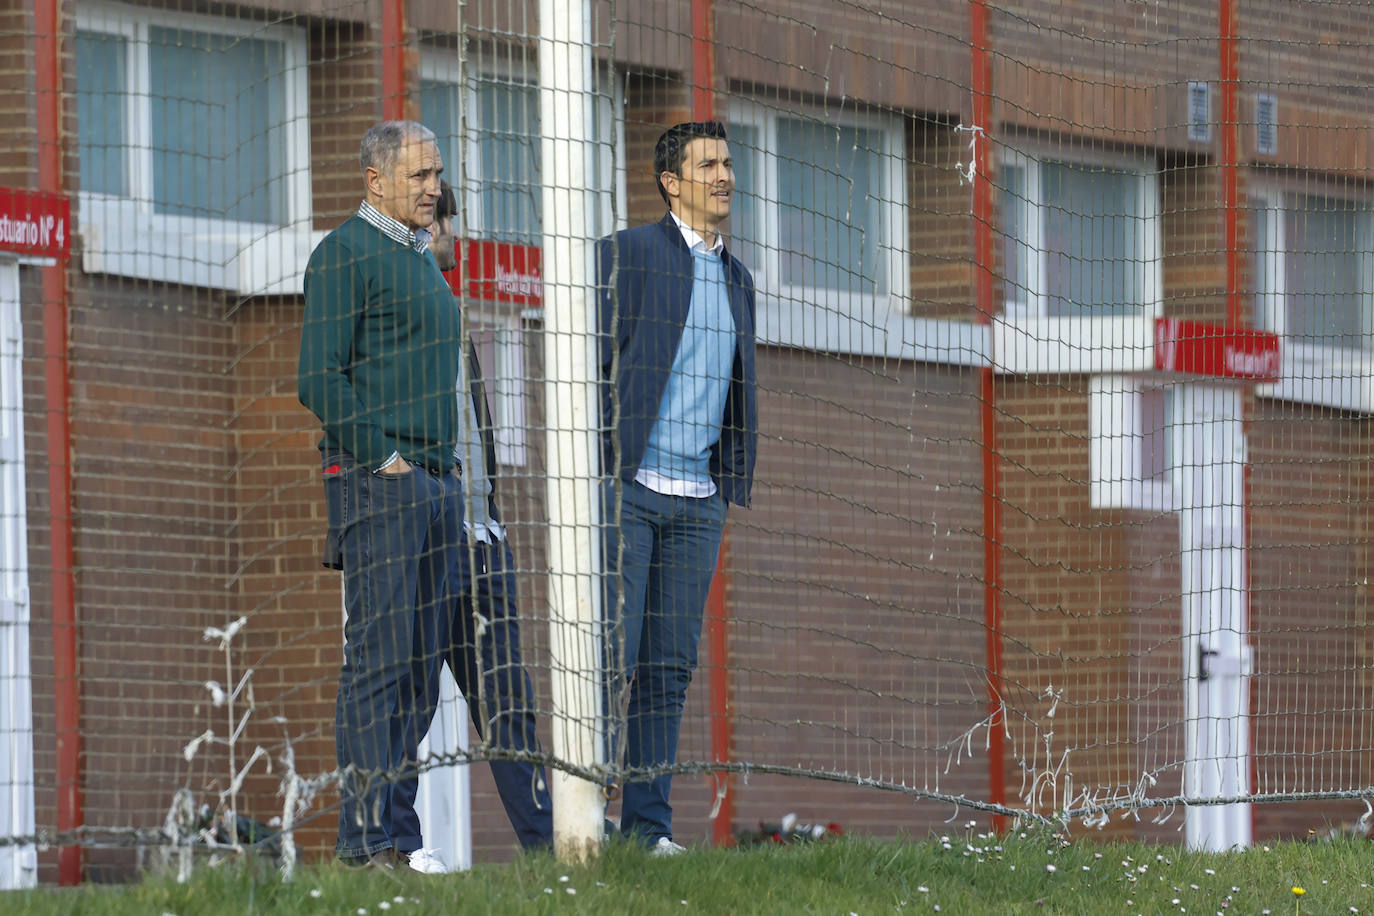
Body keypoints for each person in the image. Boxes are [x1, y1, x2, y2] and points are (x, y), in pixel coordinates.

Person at [297, 120, 462, 869]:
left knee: (422, 671)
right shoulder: (344, 253)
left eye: (437, 175)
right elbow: (318, 377)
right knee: (379, 663)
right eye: (422, 175)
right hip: (380, 483)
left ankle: (400, 838)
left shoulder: (424, 259)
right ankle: (360, 844)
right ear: (376, 179)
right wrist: (385, 457)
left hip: (439, 484)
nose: (435, 187)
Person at [595, 121, 758, 854]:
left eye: (728, 161)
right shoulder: (626, 256)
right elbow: (583, 369)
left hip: (698, 503)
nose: (725, 174)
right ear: (670, 181)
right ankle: (583, 811)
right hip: (628, 493)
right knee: (612, 658)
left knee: (668, 668)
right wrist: (599, 471)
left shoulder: (737, 278)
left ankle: (648, 828)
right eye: (708, 164)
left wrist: (724, 486)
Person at [400, 181, 554, 855]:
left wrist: (490, 514)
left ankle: (553, 844)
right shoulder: (391, 317)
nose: (448, 240)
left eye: (446, 226)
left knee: (508, 705)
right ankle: (394, 846)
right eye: (436, 226)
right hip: (421, 542)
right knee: (406, 703)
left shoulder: (457, 314)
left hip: (482, 543)